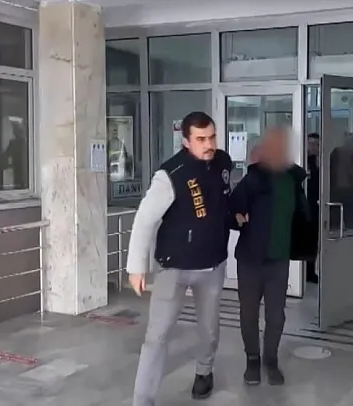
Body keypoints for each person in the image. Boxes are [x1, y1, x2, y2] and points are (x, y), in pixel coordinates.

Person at [127, 112, 233, 406]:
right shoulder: (170, 174)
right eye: (201, 139)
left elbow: (223, 202)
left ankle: (204, 372)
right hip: (172, 266)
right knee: (157, 336)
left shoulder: (223, 163)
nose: (208, 144)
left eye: (211, 137)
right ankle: (142, 400)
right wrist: (136, 268)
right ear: (186, 141)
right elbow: (144, 219)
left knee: (209, 329)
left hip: (212, 265)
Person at [230, 127, 316, 386]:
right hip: (250, 259)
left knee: (276, 316)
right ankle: (252, 360)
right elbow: (232, 209)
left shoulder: (293, 180)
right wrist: (238, 218)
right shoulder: (253, 179)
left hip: (279, 260)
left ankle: (271, 359)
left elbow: (302, 216)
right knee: (248, 313)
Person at [305, 133, 320, 283]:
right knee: (305, 240)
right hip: (303, 207)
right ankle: (302, 272)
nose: (314, 147)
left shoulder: (319, 163)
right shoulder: (303, 161)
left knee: (314, 241)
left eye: (317, 144)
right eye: (312, 143)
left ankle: (310, 271)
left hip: (315, 206)